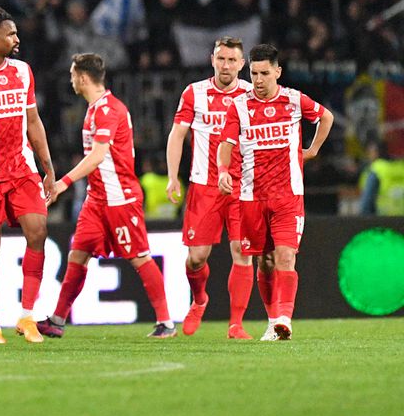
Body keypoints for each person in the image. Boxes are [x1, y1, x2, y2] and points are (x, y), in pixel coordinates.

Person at [40, 54, 176, 339]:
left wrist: (64, 182)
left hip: (120, 199)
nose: (71, 80)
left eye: (73, 75)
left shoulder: (108, 110)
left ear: (83, 78)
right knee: (78, 255)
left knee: (139, 257)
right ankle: (57, 320)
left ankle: (166, 322)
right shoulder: (94, 109)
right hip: (96, 200)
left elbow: (98, 156)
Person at [218, 44, 333, 341]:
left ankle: (284, 318)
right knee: (264, 261)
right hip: (251, 197)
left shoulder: (294, 100)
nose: (258, 80)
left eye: (264, 73)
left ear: (277, 72)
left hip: (288, 197)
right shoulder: (239, 106)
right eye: (254, 73)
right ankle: (273, 321)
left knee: (285, 256)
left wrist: (314, 149)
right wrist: (221, 171)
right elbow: (226, 145)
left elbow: (326, 117)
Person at [0, 7, 56, 345]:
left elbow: (33, 122)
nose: (17, 39)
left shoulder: (22, 72)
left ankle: (27, 315)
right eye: (11, 34)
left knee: (39, 230)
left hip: (22, 168)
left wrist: (47, 168)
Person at [165, 37, 259, 339]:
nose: (226, 65)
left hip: (242, 188)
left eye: (232, 60)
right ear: (212, 60)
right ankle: (199, 299)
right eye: (221, 59)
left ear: (242, 64)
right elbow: (177, 135)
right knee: (196, 258)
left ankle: (236, 324)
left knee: (242, 252)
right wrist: (171, 176)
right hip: (204, 186)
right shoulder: (194, 93)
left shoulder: (251, 94)